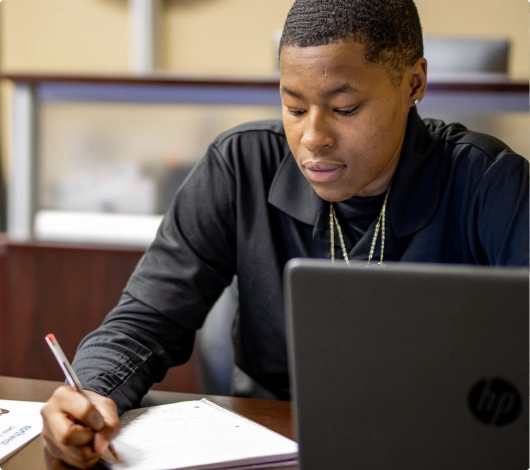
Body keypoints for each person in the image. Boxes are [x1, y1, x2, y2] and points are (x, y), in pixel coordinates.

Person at [41, 0, 529, 467]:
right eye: (294, 109)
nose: (313, 137)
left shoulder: (489, 183)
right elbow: (143, 321)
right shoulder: (241, 166)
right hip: (268, 449)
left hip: (442, 451)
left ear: (414, 83)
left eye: (345, 108)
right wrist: (90, 392)